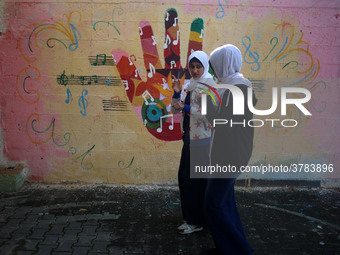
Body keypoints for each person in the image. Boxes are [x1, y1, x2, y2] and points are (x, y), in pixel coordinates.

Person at [202, 44, 257, 255]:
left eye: (214, 67)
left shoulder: (239, 90)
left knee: (213, 205)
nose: (213, 72)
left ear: (224, 65)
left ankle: (241, 251)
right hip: (229, 154)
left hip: (230, 156)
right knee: (225, 202)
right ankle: (227, 248)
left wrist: (206, 102)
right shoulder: (235, 86)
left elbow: (221, 122)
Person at [171, 50, 215, 235]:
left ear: (205, 67)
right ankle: (192, 218)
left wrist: (186, 107)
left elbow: (208, 114)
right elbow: (175, 109)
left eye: (199, 66)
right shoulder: (190, 85)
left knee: (194, 182)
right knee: (184, 179)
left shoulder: (210, 85)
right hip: (189, 138)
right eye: (192, 66)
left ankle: (196, 222)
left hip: (202, 140)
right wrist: (177, 92)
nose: (195, 70)